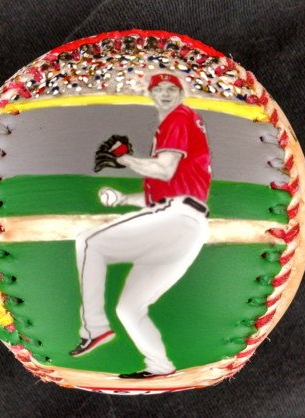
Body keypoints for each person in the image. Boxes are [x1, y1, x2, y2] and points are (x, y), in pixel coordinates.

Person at [70, 73, 212, 379]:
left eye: (171, 88)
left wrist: (125, 159)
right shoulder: (183, 124)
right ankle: (160, 367)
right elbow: (162, 192)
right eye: (159, 89)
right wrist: (123, 198)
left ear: (181, 93)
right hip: (187, 226)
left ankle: (94, 328)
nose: (165, 93)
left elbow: (164, 170)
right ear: (150, 93)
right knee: (130, 308)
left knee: (90, 242)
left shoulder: (178, 118)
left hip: (176, 218)